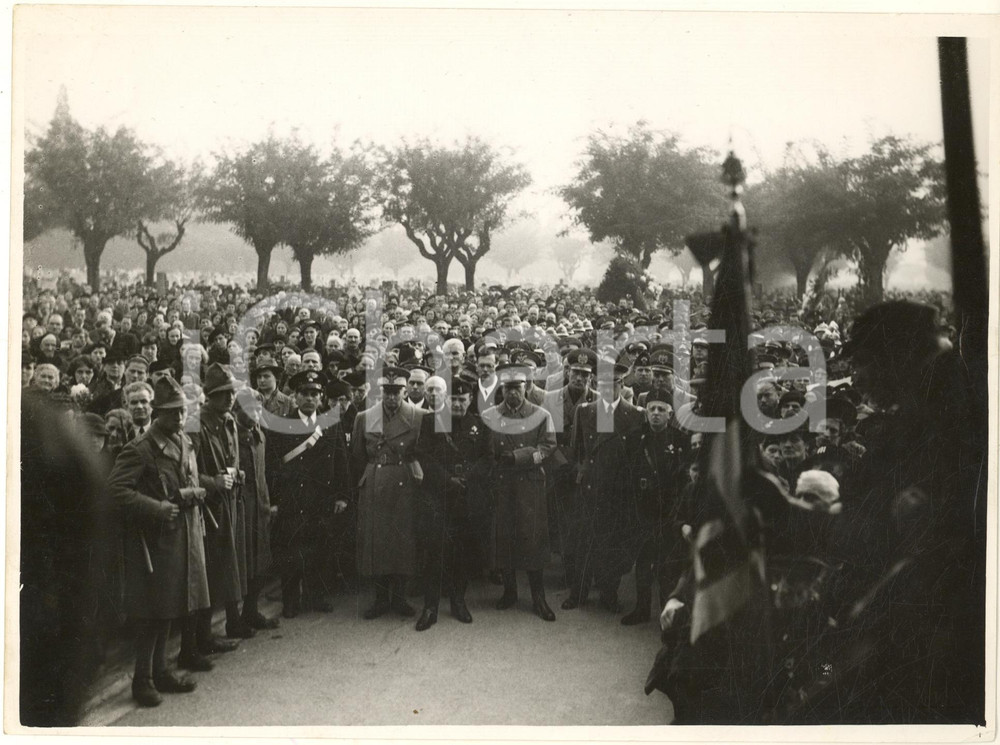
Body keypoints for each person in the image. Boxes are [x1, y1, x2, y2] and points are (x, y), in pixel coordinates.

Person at [105, 376, 209, 707]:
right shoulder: (140, 449)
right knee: (151, 613)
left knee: (170, 608)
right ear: (157, 412)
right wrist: (156, 507)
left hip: (181, 534)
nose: (179, 417)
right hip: (154, 541)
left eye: (182, 411)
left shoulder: (184, 440)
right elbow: (115, 490)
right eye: (172, 412)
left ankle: (161, 671)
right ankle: (143, 679)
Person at [267, 370, 350, 617]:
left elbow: (341, 462)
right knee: (291, 551)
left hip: (321, 497)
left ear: (321, 397)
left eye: (315, 393)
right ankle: (291, 601)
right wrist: (274, 500)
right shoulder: (281, 425)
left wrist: (342, 495)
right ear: (295, 396)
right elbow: (272, 466)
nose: (310, 398)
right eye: (304, 393)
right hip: (292, 498)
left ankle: (316, 596)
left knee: (320, 549)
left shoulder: (330, 423)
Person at [565, 361, 643, 613]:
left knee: (612, 544)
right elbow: (577, 450)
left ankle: (609, 595)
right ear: (596, 385)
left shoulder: (635, 414)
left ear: (622, 384)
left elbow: (635, 458)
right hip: (590, 488)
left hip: (618, 491)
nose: (609, 388)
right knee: (583, 542)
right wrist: (580, 474)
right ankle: (578, 593)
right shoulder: (585, 412)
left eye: (615, 383)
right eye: (603, 384)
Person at [481, 363, 558, 621]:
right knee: (505, 539)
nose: (512, 393)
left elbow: (548, 447)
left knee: (532, 541)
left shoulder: (540, 414)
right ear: (501, 390)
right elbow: (486, 452)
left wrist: (519, 457)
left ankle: (539, 597)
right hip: (502, 485)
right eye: (508, 388)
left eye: (517, 387)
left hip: (529, 484)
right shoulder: (490, 415)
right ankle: (510, 591)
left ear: (526, 387)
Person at [351, 365, 424, 620]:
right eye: (387, 392)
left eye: (397, 391)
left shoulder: (419, 416)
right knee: (377, 541)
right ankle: (381, 599)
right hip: (375, 481)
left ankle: (400, 598)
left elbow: (423, 453)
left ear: (405, 391)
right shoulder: (364, 417)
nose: (392, 397)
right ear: (381, 392)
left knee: (403, 540)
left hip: (404, 480)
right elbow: (357, 456)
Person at [189, 363, 252, 649]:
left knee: (231, 564)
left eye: (231, 393)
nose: (229, 398)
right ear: (210, 396)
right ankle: (203, 637)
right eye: (223, 393)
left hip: (230, 503)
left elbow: (232, 458)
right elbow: (188, 472)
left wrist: (236, 473)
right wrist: (214, 482)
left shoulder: (229, 421)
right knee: (210, 572)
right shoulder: (196, 425)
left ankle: (232, 621)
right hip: (208, 508)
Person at [622, 390, 683, 625]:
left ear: (670, 414)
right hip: (642, 510)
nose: (656, 414)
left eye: (661, 409)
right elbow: (627, 473)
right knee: (643, 562)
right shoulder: (635, 438)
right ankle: (641, 609)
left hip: (668, 512)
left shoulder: (679, 440)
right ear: (646, 413)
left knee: (666, 566)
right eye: (651, 409)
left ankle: (666, 616)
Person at [233, 388, 279, 630]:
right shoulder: (230, 436)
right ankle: (234, 620)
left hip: (259, 507)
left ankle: (251, 612)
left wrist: (268, 504)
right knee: (239, 566)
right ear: (236, 410)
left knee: (260, 564)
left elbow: (264, 473)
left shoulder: (260, 435)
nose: (255, 414)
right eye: (249, 408)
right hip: (239, 509)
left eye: (258, 409)